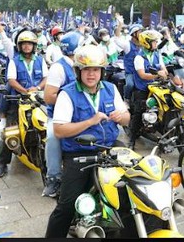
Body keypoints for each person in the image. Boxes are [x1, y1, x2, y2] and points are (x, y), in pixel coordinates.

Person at [44, 45, 130, 238]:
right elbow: (59, 130)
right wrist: (90, 121)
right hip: (79, 153)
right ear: (79, 71)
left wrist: (121, 116)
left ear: (102, 71)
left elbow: (127, 119)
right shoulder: (67, 94)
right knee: (66, 206)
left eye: (96, 69)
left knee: (128, 194)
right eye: (87, 69)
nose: (92, 74)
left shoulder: (111, 89)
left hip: (109, 150)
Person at [0, 30, 48, 178]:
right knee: (10, 131)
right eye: (24, 44)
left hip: (37, 100)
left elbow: (45, 78)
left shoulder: (40, 60)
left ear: (34, 46)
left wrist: (37, 88)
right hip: (17, 100)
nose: (27, 47)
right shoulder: (14, 61)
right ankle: (3, 163)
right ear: (20, 46)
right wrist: (24, 91)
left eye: (29, 44)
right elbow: (11, 80)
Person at [41, 31, 84, 198]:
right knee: (52, 136)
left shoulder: (84, 65)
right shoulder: (59, 67)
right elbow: (49, 96)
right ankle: (53, 177)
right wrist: (71, 100)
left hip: (83, 114)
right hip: (61, 117)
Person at [127, 29, 168, 150]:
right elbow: (142, 75)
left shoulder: (157, 54)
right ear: (146, 43)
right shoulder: (139, 57)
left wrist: (164, 73)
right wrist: (158, 75)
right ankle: (132, 139)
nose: (156, 44)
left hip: (156, 87)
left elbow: (163, 68)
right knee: (139, 113)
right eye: (154, 42)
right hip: (142, 89)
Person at [116, 23, 144, 105]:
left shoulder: (144, 44)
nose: (141, 34)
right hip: (131, 72)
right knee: (130, 85)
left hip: (143, 71)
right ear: (134, 34)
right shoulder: (127, 45)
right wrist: (119, 25)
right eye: (139, 32)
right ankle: (126, 99)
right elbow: (116, 39)